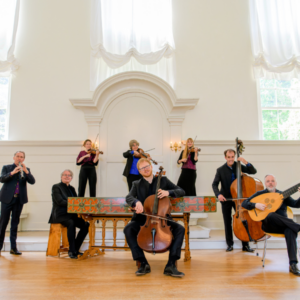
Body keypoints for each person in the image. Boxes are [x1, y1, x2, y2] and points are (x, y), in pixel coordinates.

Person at [123, 158, 186, 277]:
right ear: (139, 171)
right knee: (128, 229)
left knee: (180, 229)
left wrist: (169, 192)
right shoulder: (136, 184)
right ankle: (143, 263)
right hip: (143, 219)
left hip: (162, 218)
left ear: (151, 167)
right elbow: (128, 197)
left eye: (147, 166)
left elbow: (181, 191)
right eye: (142, 168)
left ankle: (171, 265)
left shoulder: (163, 180)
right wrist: (136, 202)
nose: (145, 169)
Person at [242, 174, 300, 276]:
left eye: (272, 181)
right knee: (270, 215)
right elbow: (244, 203)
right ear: (265, 183)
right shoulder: (260, 194)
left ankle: (293, 265)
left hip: (283, 226)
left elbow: (296, 204)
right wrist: (256, 205)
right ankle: (297, 226)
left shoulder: (283, 194)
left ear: (276, 183)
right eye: (268, 181)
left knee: (290, 230)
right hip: (269, 225)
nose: (270, 183)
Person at [212, 149, 256, 252]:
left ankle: (245, 245)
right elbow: (214, 184)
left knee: (243, 220)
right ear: (225, 157)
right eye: (229, 157)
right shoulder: (220, 170)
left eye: (232, 157)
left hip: (239, 199)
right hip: (226, 198)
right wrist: (218, 195)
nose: (231, 159)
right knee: (227, 222)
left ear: (234, 156)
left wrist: (245, 161)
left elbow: (253, 171)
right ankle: (229, 244)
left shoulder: (239, 165)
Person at [0, 151, 35, 255]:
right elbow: (2, 179)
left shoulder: (26, 170)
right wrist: (12, 172)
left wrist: (26, 172)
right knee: (3, 224)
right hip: (6, 199)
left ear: (23, 159)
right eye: (18, 156)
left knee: (15, 224)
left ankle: (13, 248)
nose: (19, 158)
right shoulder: (6, 168)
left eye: (21, 157)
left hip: (19, 200)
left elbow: (32, 181)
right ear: (14, 157)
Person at [49, 169, 90, 259]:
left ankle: (75, 248)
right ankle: (72, 251)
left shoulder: (72, 188)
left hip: (71, 214)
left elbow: (77, 202)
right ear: (61, 177)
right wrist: (73, 203)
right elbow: (60, 201)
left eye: (69, 175)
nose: (67, 176)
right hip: (60, 215)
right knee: (71, 223)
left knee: (86, 225)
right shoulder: (56, 187)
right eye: (65, 175)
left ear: (71, 178)